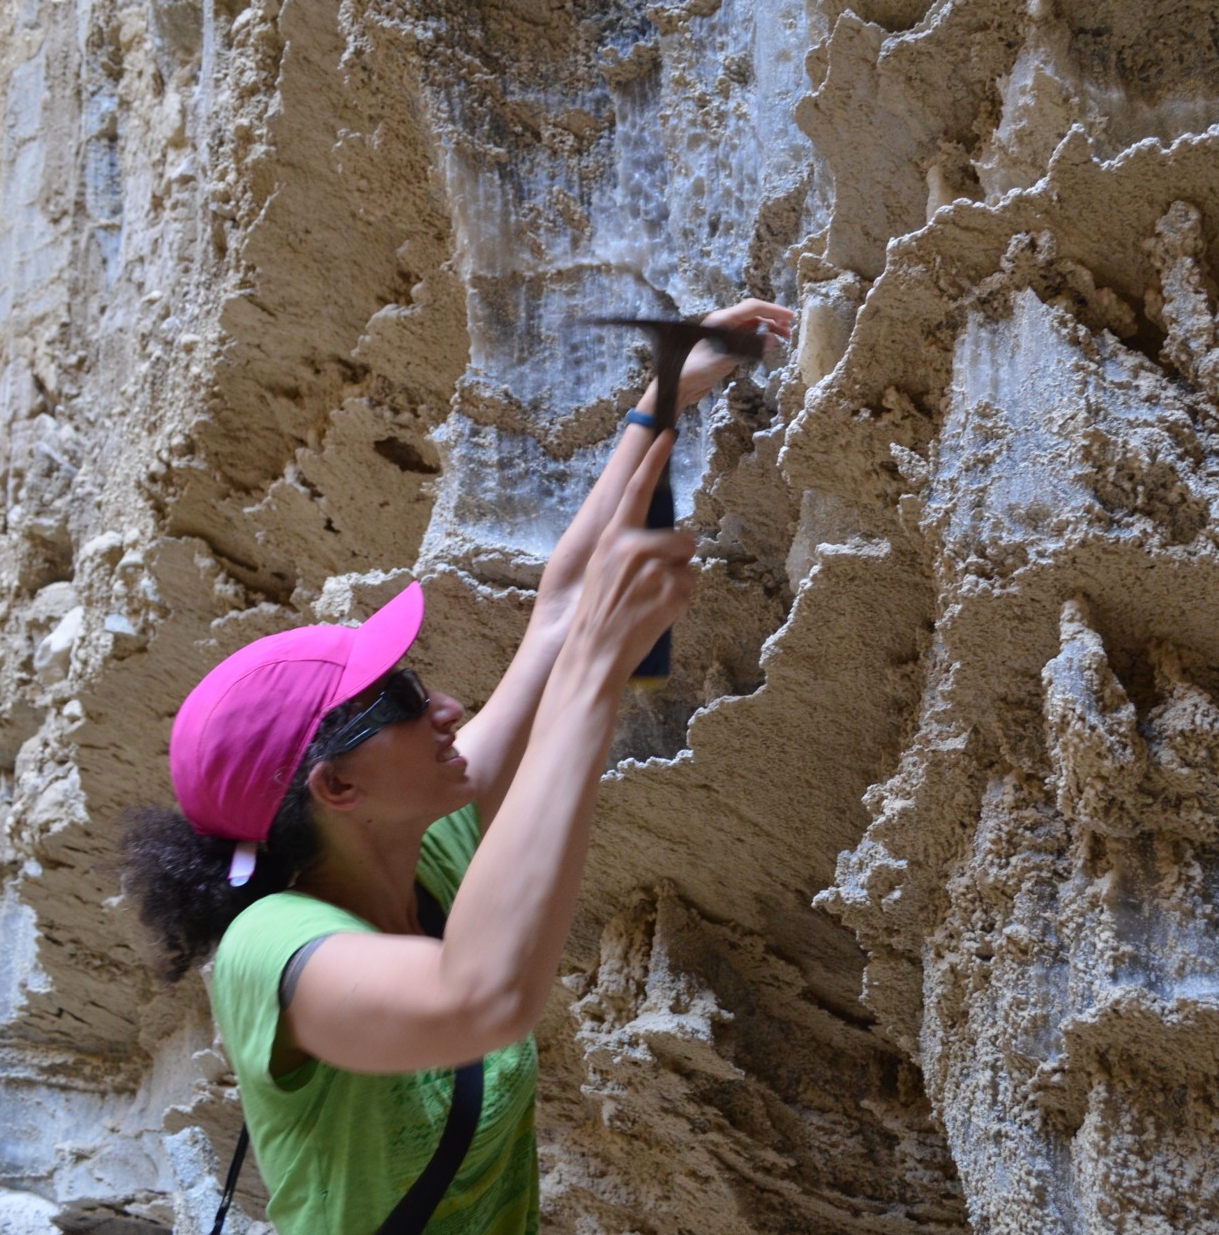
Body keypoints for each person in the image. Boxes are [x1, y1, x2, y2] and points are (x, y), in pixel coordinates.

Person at [121, 299, 795, 1234]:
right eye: (400, 703)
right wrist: (597, 676)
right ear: (336, 787)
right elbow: (479, 996)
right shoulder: (269, 947)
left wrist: (666, 396)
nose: (445, 708)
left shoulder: (414, 840)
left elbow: (558, 608)